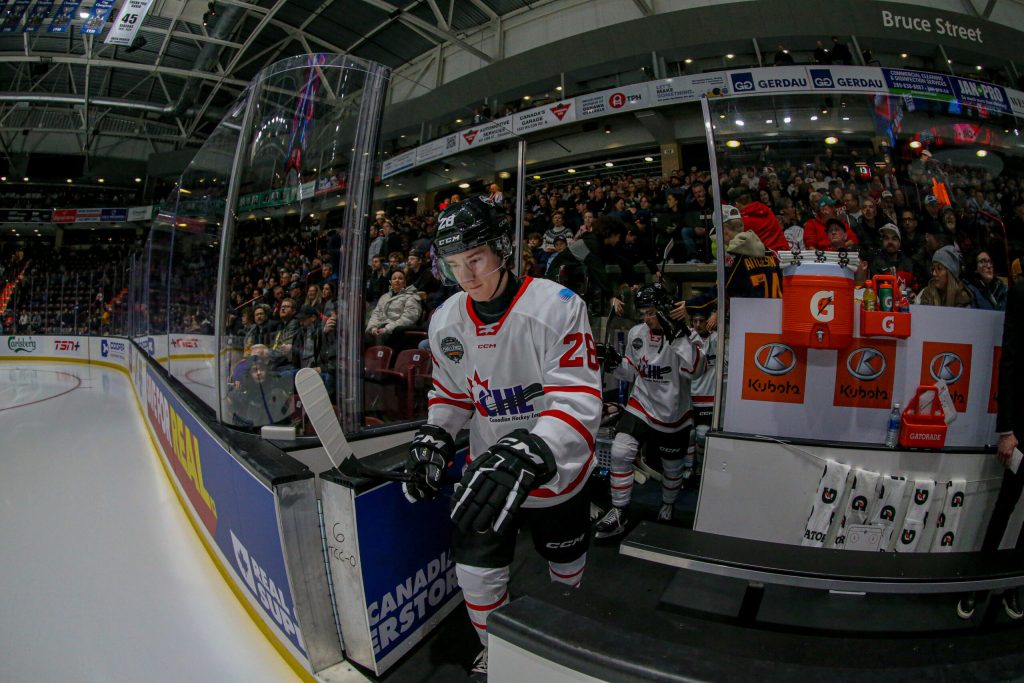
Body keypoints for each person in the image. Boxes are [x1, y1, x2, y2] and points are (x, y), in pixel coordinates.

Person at [401, 196, 600, 680]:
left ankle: (563, 632)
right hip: (489, 471)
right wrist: (438, 434)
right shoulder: (447, 320)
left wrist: (534, 448)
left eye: (476, 259)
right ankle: (496, 647)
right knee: (474, 571)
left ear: (501, 250)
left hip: (555, 473)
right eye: (454, 266)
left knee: (566, 564)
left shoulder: (557, 307)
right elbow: (452, 392)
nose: (466, 276)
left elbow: (577, 398)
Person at [594, 283, 707, 539]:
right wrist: (613, 362)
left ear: (666, 310)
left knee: (673, 469)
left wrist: (678, 337)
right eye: (643, 312)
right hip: (641, 404)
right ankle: (619, 510)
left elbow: (695, 371)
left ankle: (667, 503)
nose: (646, 318)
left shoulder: (688, 336)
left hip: (673, 415)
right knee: (620, 451)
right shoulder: (637, 333)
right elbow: (632, 371)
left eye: (651, 312)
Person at [957, 276, 1024, 621]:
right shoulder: (1021, 290)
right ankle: (977, 585)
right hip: (1021, 425)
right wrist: (1008, 429)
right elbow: (1009, 359)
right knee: (1004, 508)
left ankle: (1016, 584)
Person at [364, 269, 422, 346]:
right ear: (390, 282)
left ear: (405, 282)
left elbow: (409, 318)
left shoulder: (411, 297)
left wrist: (386, 329)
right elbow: (376, 314)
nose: (397, 280)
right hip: (379, 328)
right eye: (394, 278)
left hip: (395, 331)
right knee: (362, 338)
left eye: (400, 278)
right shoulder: (384, 297)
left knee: (381, 337)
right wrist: (373, 328)